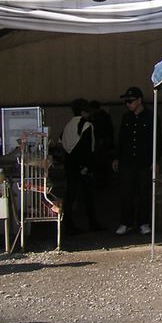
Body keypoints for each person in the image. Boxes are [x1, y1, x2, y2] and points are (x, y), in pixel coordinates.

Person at [113, 86, 155, 235]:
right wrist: (117, 157)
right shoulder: (126, 118)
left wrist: (155, 160)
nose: (128, 104)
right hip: (127, 161)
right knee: (126, 193)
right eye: (126, 101)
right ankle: (126, 222)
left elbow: (156, 139)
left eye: (130, 101)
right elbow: (121, 138)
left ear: (139, 100)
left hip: (144, 161)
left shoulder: (151, 117)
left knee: (144, 193)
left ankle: (144, 222)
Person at [60, 99, 100, 234]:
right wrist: (88, 166)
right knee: (88, 196)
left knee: (70, 196)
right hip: (83, 166)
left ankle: (68, 224)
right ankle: (93, 223)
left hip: (70, 165)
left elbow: (62, 142)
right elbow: (87, 148)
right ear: (84, 111)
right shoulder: (86, 125)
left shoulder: (68, 125)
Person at [89, 100, 115, 188]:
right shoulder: (103, 116)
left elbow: (101, 130)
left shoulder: (99, 117)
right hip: (103, 144)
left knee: (101, 164)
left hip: (101, 144)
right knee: (102, 164)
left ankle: (102, 182)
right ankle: (103, 182)